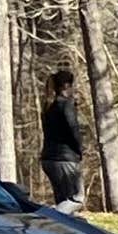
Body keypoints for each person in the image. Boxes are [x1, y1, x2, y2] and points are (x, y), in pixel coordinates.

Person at [38, 71, 88, 210]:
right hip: (65, 159)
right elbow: (73, 129)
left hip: (48, 158)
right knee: (76, 198)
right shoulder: (65, 105)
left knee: (62, 199)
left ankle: (63, 228)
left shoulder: (48, 106)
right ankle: (53, 219)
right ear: (67, 86)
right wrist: (79, 149)